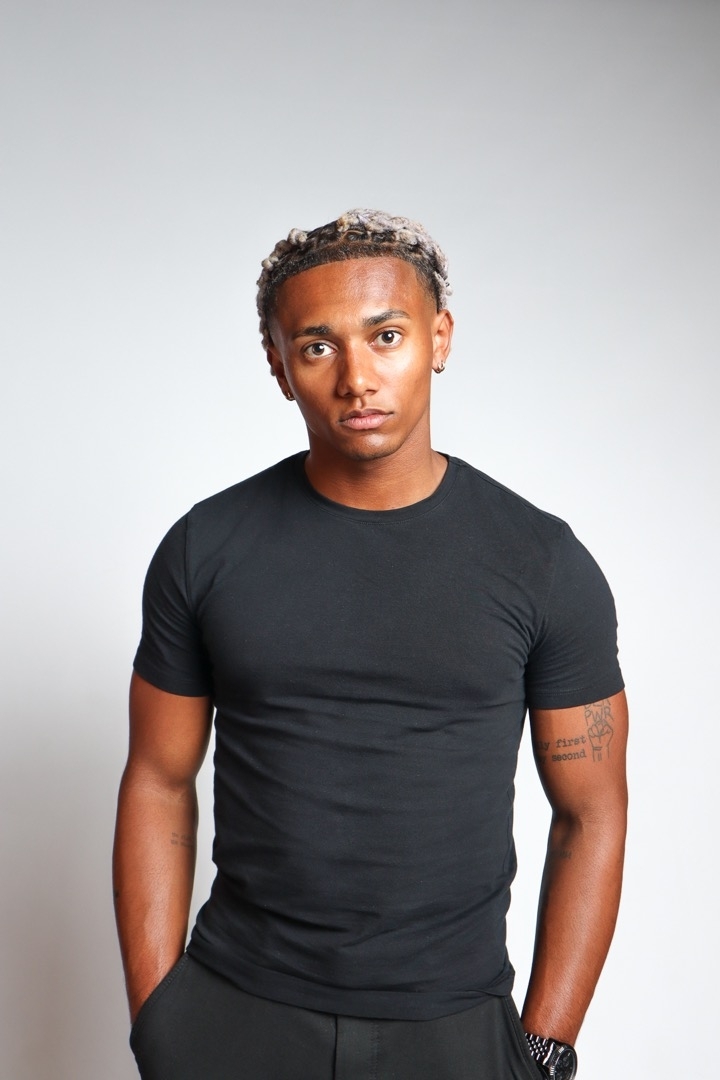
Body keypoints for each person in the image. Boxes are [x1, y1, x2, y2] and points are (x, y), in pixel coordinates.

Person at [113, 209, 628, 1080]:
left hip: (453, 1026)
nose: (357, 378)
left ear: (439, 338)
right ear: (278, 366)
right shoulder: (207, 547)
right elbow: (158, 779)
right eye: (317, 347)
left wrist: (544, 1045)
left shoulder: (541, 562)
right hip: (236, 1013)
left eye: (386, 336)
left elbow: (594, 811)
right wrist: (159, 1022)